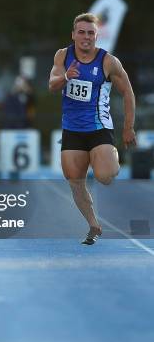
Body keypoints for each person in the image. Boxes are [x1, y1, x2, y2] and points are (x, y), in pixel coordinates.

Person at [48, 12, 136, 245]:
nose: (86, 37)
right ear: (73, 35)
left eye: (91, 33)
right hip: (72, 129)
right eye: (82, 32)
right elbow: (52, 85)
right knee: (75, 182)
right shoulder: (63, 56)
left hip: (98, 127)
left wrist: (128, 128)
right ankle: (94, 225)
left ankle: (111, 154)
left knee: (105, 176)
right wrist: (67, 76)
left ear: (97, 36)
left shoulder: (108, 61)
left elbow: (127, 91)